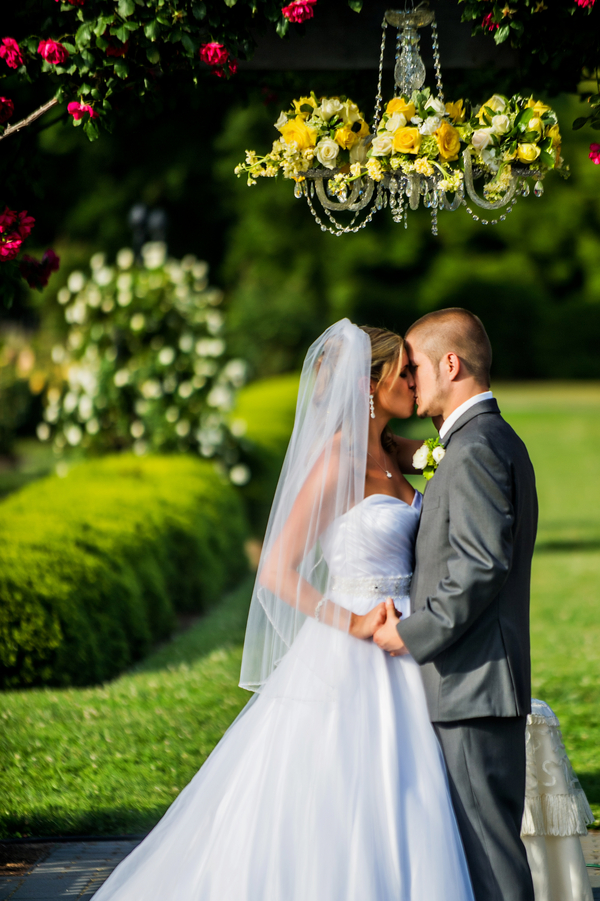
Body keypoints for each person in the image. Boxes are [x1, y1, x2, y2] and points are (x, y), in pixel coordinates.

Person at [92, 319, 475, 901]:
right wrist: (353, 621)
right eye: (404, 372)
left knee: (407, 792)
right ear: (372, 385)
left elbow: (437, 468)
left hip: (410, 645)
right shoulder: (335, 462)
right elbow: (276, 570)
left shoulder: (394, 452)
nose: (414, 382)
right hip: (357, 647)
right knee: (342, 791)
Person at [374, 307, 538, 901]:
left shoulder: (473, 450)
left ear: (451, 363)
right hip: (478, 684)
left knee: (492, 862)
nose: (410, 379)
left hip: (470, 686)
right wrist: (407, 455)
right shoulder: (481, 440)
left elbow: (480, 564)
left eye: (415, 365)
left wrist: (410, 633)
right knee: (485, 853)